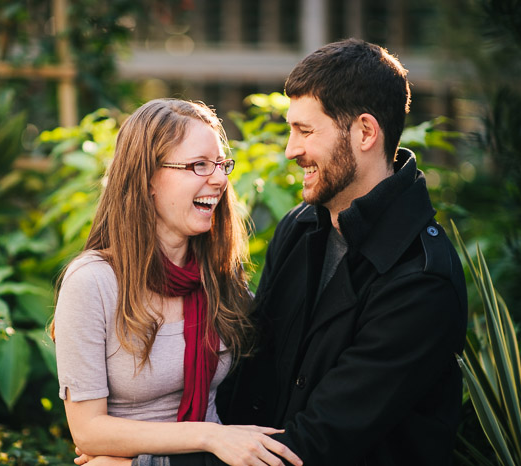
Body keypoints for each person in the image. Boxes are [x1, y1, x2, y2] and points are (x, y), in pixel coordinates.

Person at [124, 39, 468, 466]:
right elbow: (249, 380)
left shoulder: (420, 279)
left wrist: (145, 463)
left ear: (364, 132)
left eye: (305, 131)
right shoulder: (301, 227)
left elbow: (320, 444)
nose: (291, 149)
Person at [52, 98, 302, 466]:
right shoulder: (92, 283)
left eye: (220, 165)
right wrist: (210, 435)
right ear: (148, 178)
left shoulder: (218, 279)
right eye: (198, 165)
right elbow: (88, 431)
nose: (218, 179)